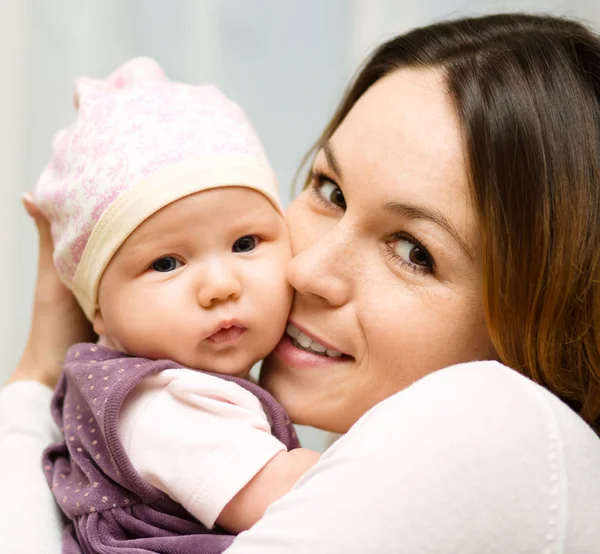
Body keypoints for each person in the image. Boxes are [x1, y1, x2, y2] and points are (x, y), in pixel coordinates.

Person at [2, 12, 600, 554]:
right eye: (330, 191)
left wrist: (37, 375)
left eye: (414, 251)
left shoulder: (503, 425)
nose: (305, 270)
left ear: (550, 321)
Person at [31, 57, 319, 553]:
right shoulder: (156, 403)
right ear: (97, 307)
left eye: (246, 243)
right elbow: (294, 495)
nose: (220, 285)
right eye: (167, 263)